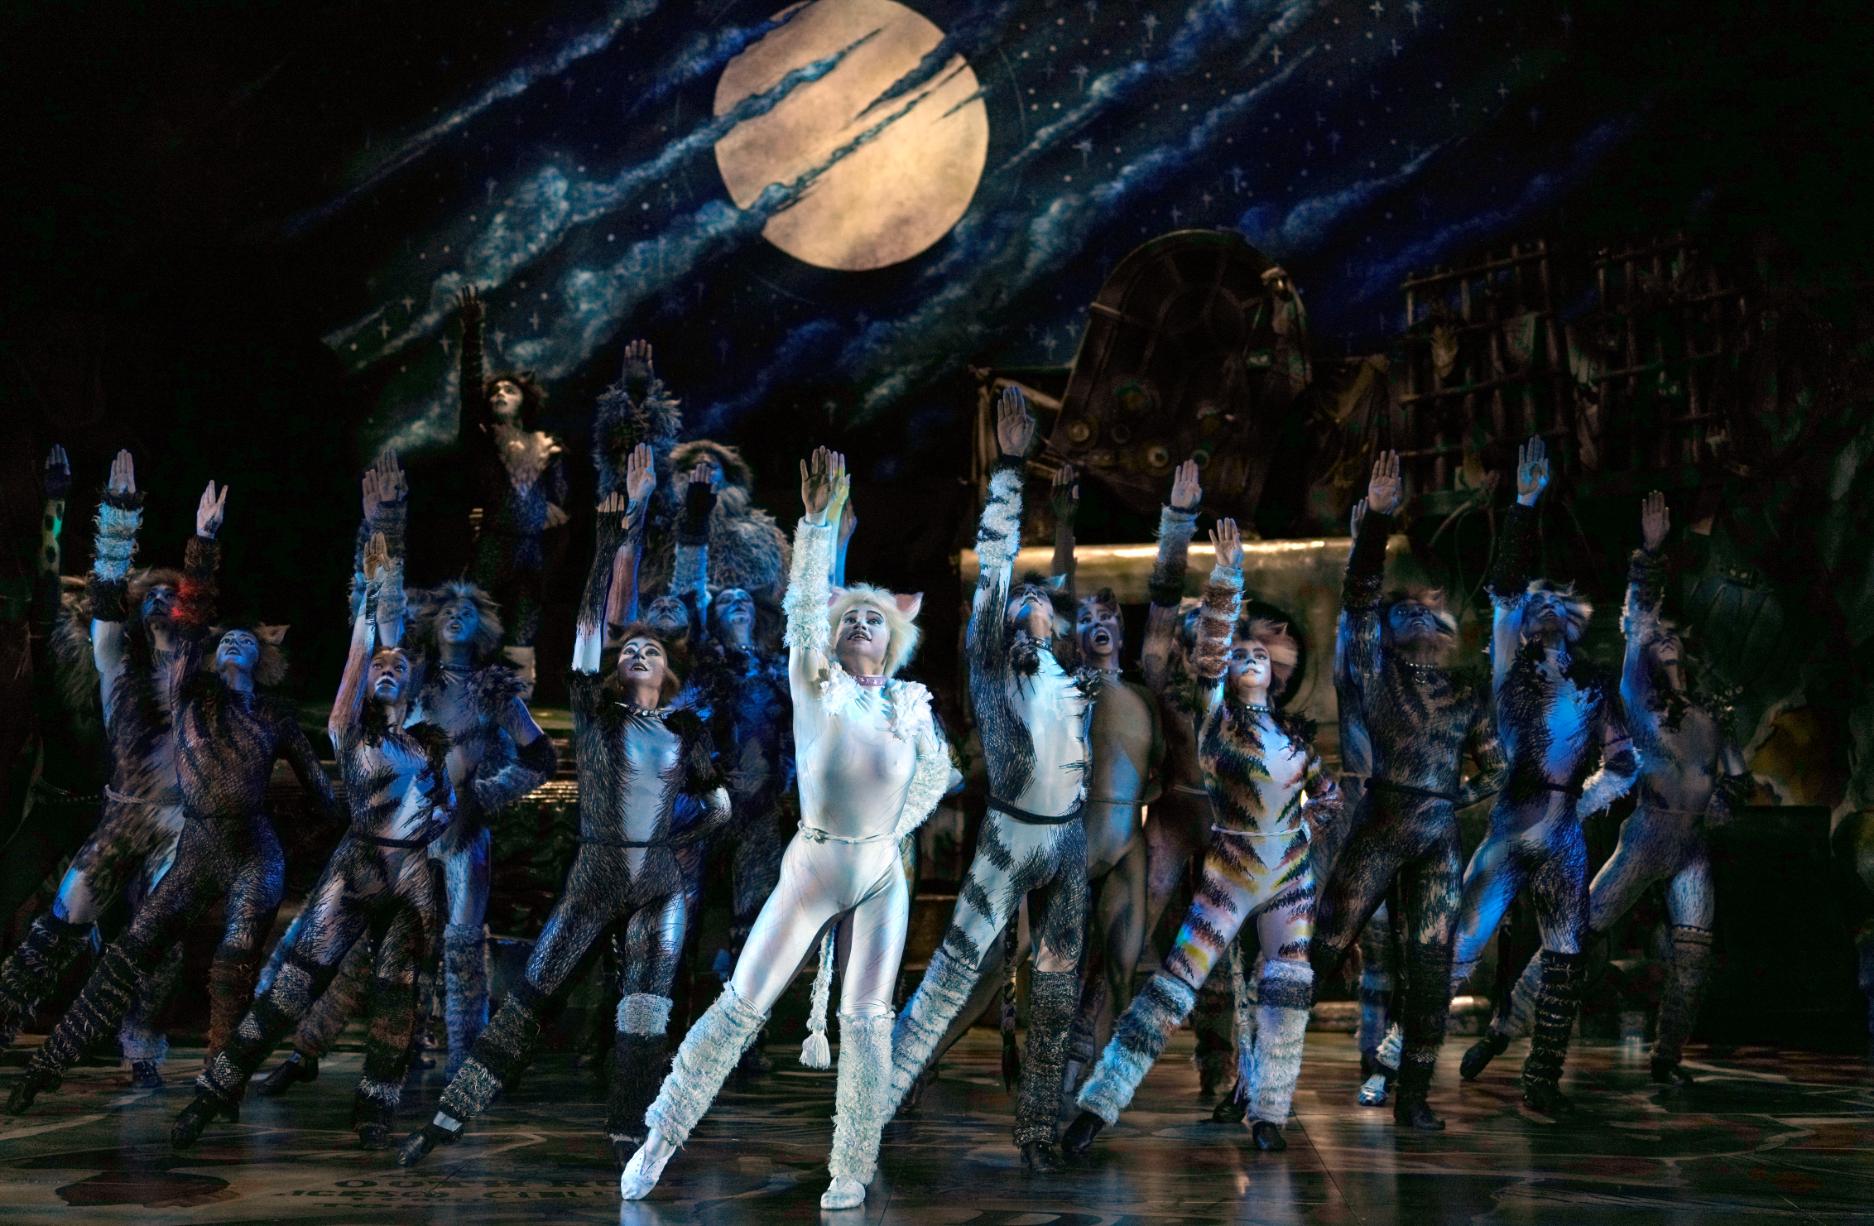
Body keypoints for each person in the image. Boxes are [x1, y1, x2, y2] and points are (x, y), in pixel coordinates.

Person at [621, 447, 953, 1210]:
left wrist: (890, 835)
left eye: (875, 618)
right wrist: (815, 526)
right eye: (851, 616)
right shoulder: (815, 683)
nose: (861, 622)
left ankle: (852, 1165)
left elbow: (934, 779)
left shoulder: (910, 706)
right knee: (743, 999)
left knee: (867, 1021)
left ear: (893, 640)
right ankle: (659, 1138)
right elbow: (804, 611)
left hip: (880, 876)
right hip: (813, 866)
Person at [401, 445, 730, 1168]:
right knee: (532, 996)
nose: (637, 652)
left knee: (644, 1013)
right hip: (594, 876)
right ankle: (450, 1117)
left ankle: (629, 1133)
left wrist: (675, 840)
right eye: (630, 648)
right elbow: (586, 634)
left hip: (658, 885)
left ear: (669, 670)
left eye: (651, 650)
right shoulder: (596, 712)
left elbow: (718, 805)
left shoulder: (685, 729)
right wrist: (609, 541)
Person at [8, 478, 343, 1114]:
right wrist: (118, 522)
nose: (163, 602)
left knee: (155, 941)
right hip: (125, 814)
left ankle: (141, 1044)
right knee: (65, 916)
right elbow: (106, 611)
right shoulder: (118, 664)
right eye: (152, 597)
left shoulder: (201, 684)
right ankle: (8, 1017)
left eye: (173, 596)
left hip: (183, 825)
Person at [174, 510, 453, 1148]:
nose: (388, 668)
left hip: (411, 876)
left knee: (396, 992)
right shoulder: (350, 729)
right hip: (357, 867)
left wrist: (428, 827)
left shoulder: (428, 743)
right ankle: (216, 1090)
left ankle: (376, 1108)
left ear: (413, 679)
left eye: (399, 664)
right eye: (380, 665)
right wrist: (369, 612)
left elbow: (446, 807)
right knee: (292, 985)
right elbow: (354, 673)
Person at [1065, 517, 1341, 1155]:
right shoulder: (1216, 722)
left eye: (1259, 655)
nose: (1249, 659)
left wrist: (1302, 834)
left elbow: (1328, 794)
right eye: (1241, 655)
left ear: (1275, 673)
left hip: (1289, 876)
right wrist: (1226, 578)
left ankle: (1269, 1111)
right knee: (1174, 982)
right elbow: (1212, 652)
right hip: (1231, 869)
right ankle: (1099, 1103)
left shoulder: (1295, 742)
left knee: (1288, 988)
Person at [1462, 491, 1750, 1088]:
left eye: (1673, 636)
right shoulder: (1638, 701)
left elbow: (1734, 777)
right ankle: (1504, 1028)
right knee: (1577, 935)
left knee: (1693, 956)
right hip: (1645, 836)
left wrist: (1727, 798)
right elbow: (1638, 625)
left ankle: (1667, 1057)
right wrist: (1649, 557)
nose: (1664, 640)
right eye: (1658, 636)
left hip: (1691, 845)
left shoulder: (1708, 717)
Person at [884, 389, 1099, 1172]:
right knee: (953, 974)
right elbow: (999, 571)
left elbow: (1062, 582)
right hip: (1008, 838)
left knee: (1056, 988)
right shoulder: (993, 665)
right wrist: (1010, 467)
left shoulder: (1070, 674)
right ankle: (878, 1100)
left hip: (1067, 844)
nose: (1035, 602)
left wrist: (1066, 515)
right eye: (1023, 602)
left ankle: (1037, 1129)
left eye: (1046, 603)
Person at [1304, 451, 1504, 1130]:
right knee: (1327, 946)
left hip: (1434, 838)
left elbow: (1495, 769)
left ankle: (1413, 1098)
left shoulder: (1468, 695)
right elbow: (1360, 603)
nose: (1423, 617)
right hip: (1380, 822)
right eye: (1408, 611)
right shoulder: (1376, 673)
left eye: (1431, 610)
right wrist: (1376, 524)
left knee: (1430, 970)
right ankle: (1259, 1079)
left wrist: (1452, 800)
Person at [1445, 436, 1641, 1115]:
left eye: (1559, 600)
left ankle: (1541, 1080)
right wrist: (1525, 506)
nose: (1548, 606)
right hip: (1509, 825)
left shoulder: (1593, 684)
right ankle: (1395, 1062)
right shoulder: (1511, 670)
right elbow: (1503, 592)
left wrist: (1579, 806)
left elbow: (1624, 762)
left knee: (1565, 955)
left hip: (1561, 834)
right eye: (1539, 601)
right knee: (1463, 943)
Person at [0, 450, 185, 1088]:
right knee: (25, 905)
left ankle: (137, 1044)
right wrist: (56, 505)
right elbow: (49, 579)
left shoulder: (134, 669)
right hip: (58, 805)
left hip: (116, 811)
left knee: (129, 929)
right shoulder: (60, 646)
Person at [456, 285, 569, 697]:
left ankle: (517, 704)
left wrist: (552, 517)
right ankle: (463, 694)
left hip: (532, 549)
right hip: (493, 542)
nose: (500, 394)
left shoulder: (547, 447)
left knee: (524, 625)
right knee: (474, 617)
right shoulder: (484, 439)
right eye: (495, 392)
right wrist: (473, 335)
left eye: (509, 390)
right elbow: (470, 392)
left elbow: (561, 500)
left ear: (525, 400)